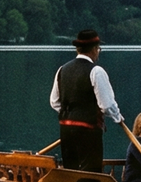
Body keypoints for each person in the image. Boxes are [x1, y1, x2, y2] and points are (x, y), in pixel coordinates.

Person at [50, 29, 124, 172]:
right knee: (91, 170)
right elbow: (107, 105)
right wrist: (117, 118)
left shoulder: (62, 70)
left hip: (66, 128)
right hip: (88, 130)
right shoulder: (96, 71)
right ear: (95, 49)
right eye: (99, 49)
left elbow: (54, 102)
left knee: (70, 169)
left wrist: (72, 115)